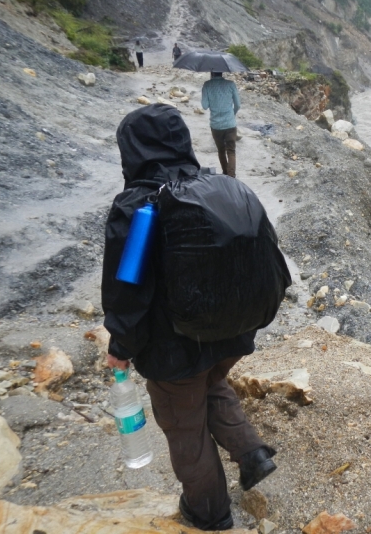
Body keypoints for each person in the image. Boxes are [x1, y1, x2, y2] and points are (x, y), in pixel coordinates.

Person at [102, 104, 276, 532]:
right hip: (232, 333)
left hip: (173, 345)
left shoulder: (137, 206)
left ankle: (208, 513)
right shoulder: (221, 187)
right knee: (211, 381)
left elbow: (126, 289)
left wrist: (120, 347)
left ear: (133, 150)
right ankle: (251, 453)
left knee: (184, 428)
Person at [201, 72, 241, 178]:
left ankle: (225, 174)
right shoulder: (231, 84)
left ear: (211, 72)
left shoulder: (207, 85)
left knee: (221, 150)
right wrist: (232, 114)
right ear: (222, 72)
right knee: (231, 151)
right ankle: (232, 177)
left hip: (216, 126)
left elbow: (204, 106)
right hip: (230, 124)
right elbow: (238, 104)